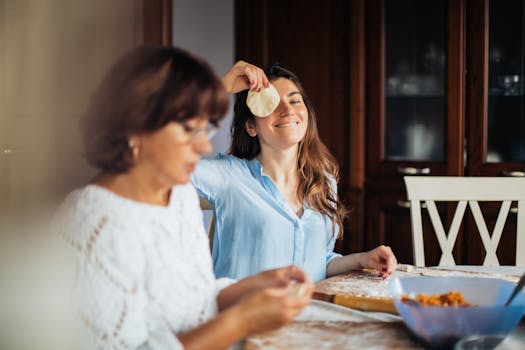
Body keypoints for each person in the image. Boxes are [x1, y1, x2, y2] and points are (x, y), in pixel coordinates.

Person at [57, 45, 313, 350]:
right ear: (135, 128)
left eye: (206, 128)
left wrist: (251, 288)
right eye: (190, 129)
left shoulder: (177, 196)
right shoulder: (93, 223)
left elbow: (195, 300)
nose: (205, 146)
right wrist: (240, 320)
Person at [192, 61, 398, 282]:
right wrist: (218, 90)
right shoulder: (227, 176)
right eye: (271, 104)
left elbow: (318, 261)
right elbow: (153, 157)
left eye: (294, 100)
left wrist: (360, 260)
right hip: (245, 314)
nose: (288, 110)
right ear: (251, 126)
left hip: (310, 314)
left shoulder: (324, 182)